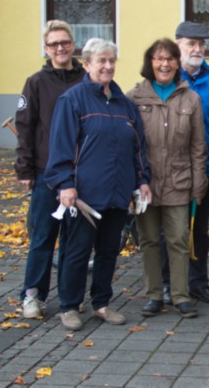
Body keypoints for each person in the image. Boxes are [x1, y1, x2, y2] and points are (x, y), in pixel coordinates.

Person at [45, 38, 151, 331]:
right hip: (84, 196)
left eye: (111, 61)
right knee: (77, 251)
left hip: (117, 193)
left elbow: (139, 148)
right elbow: (61, 147)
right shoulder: (73, 100)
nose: (107, 66)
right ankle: (69, 306)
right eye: (101, 61)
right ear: (87, 64)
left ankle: (101, 303)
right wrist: (64, 185)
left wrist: (142, 180)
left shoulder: (126, 105)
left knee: (108, 251)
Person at [127, 38, 207, 319]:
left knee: (178, 239)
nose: (165, 64)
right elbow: (128, 145)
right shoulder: (134, 97)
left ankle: (180, 295)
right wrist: (132, 182)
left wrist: (199, 184)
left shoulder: (191, 98)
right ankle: (153, 295)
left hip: (179, 181)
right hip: (145, 184)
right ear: (150, 63)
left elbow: (198, 146)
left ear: (177, 63)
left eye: (170, 59)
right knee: (148, 240)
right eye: (159, 59)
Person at [15, 20, 85, 319]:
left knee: (73, 240)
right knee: (43, 237)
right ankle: (33, 295)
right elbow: (25, 127)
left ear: (73, 44)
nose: (60, 48)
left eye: (65, 42)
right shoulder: (36, 82)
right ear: (46, 49)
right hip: (46, 173)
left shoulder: (86, 78)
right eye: (54, 43)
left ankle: (70, 298)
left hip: (81, 174)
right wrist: (25, 169)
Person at [159, 21, 209, 306]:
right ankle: (167, 283)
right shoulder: (167, 79)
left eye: (201, 44)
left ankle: (198, 283)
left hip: (205, 171)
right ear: (178, 47)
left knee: (199, 229)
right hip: (172, 171)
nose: (196, 49)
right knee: (171, 230)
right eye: (190, 44)